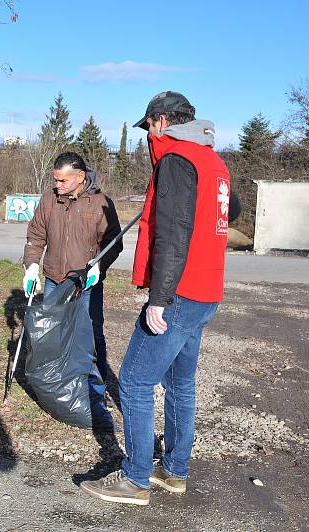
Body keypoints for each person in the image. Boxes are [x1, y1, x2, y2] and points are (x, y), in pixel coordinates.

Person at [80, 91, 232, 506]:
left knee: (134, 380)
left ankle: (135, 479)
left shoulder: (178, 161)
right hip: (206, 291)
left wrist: (159, 299)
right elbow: (229, 210)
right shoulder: (214, 162)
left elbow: (173, 234)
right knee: (180, 382)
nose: (147, 135)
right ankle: (174, 471)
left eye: (148, 126)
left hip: (180, 292)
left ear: (162, 121)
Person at [22, 151, 122, 428]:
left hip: (85, 284)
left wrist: (99, 266)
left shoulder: (100, 203)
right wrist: (31, 265)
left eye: (63, 181)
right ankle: (58, 389)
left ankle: (95, 394)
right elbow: (35, 236)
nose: (58, 186)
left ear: (80, 177)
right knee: (54, 337)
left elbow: (114, 242)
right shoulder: (49, 200)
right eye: (55, 180)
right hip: (55, 278)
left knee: (89, 337)